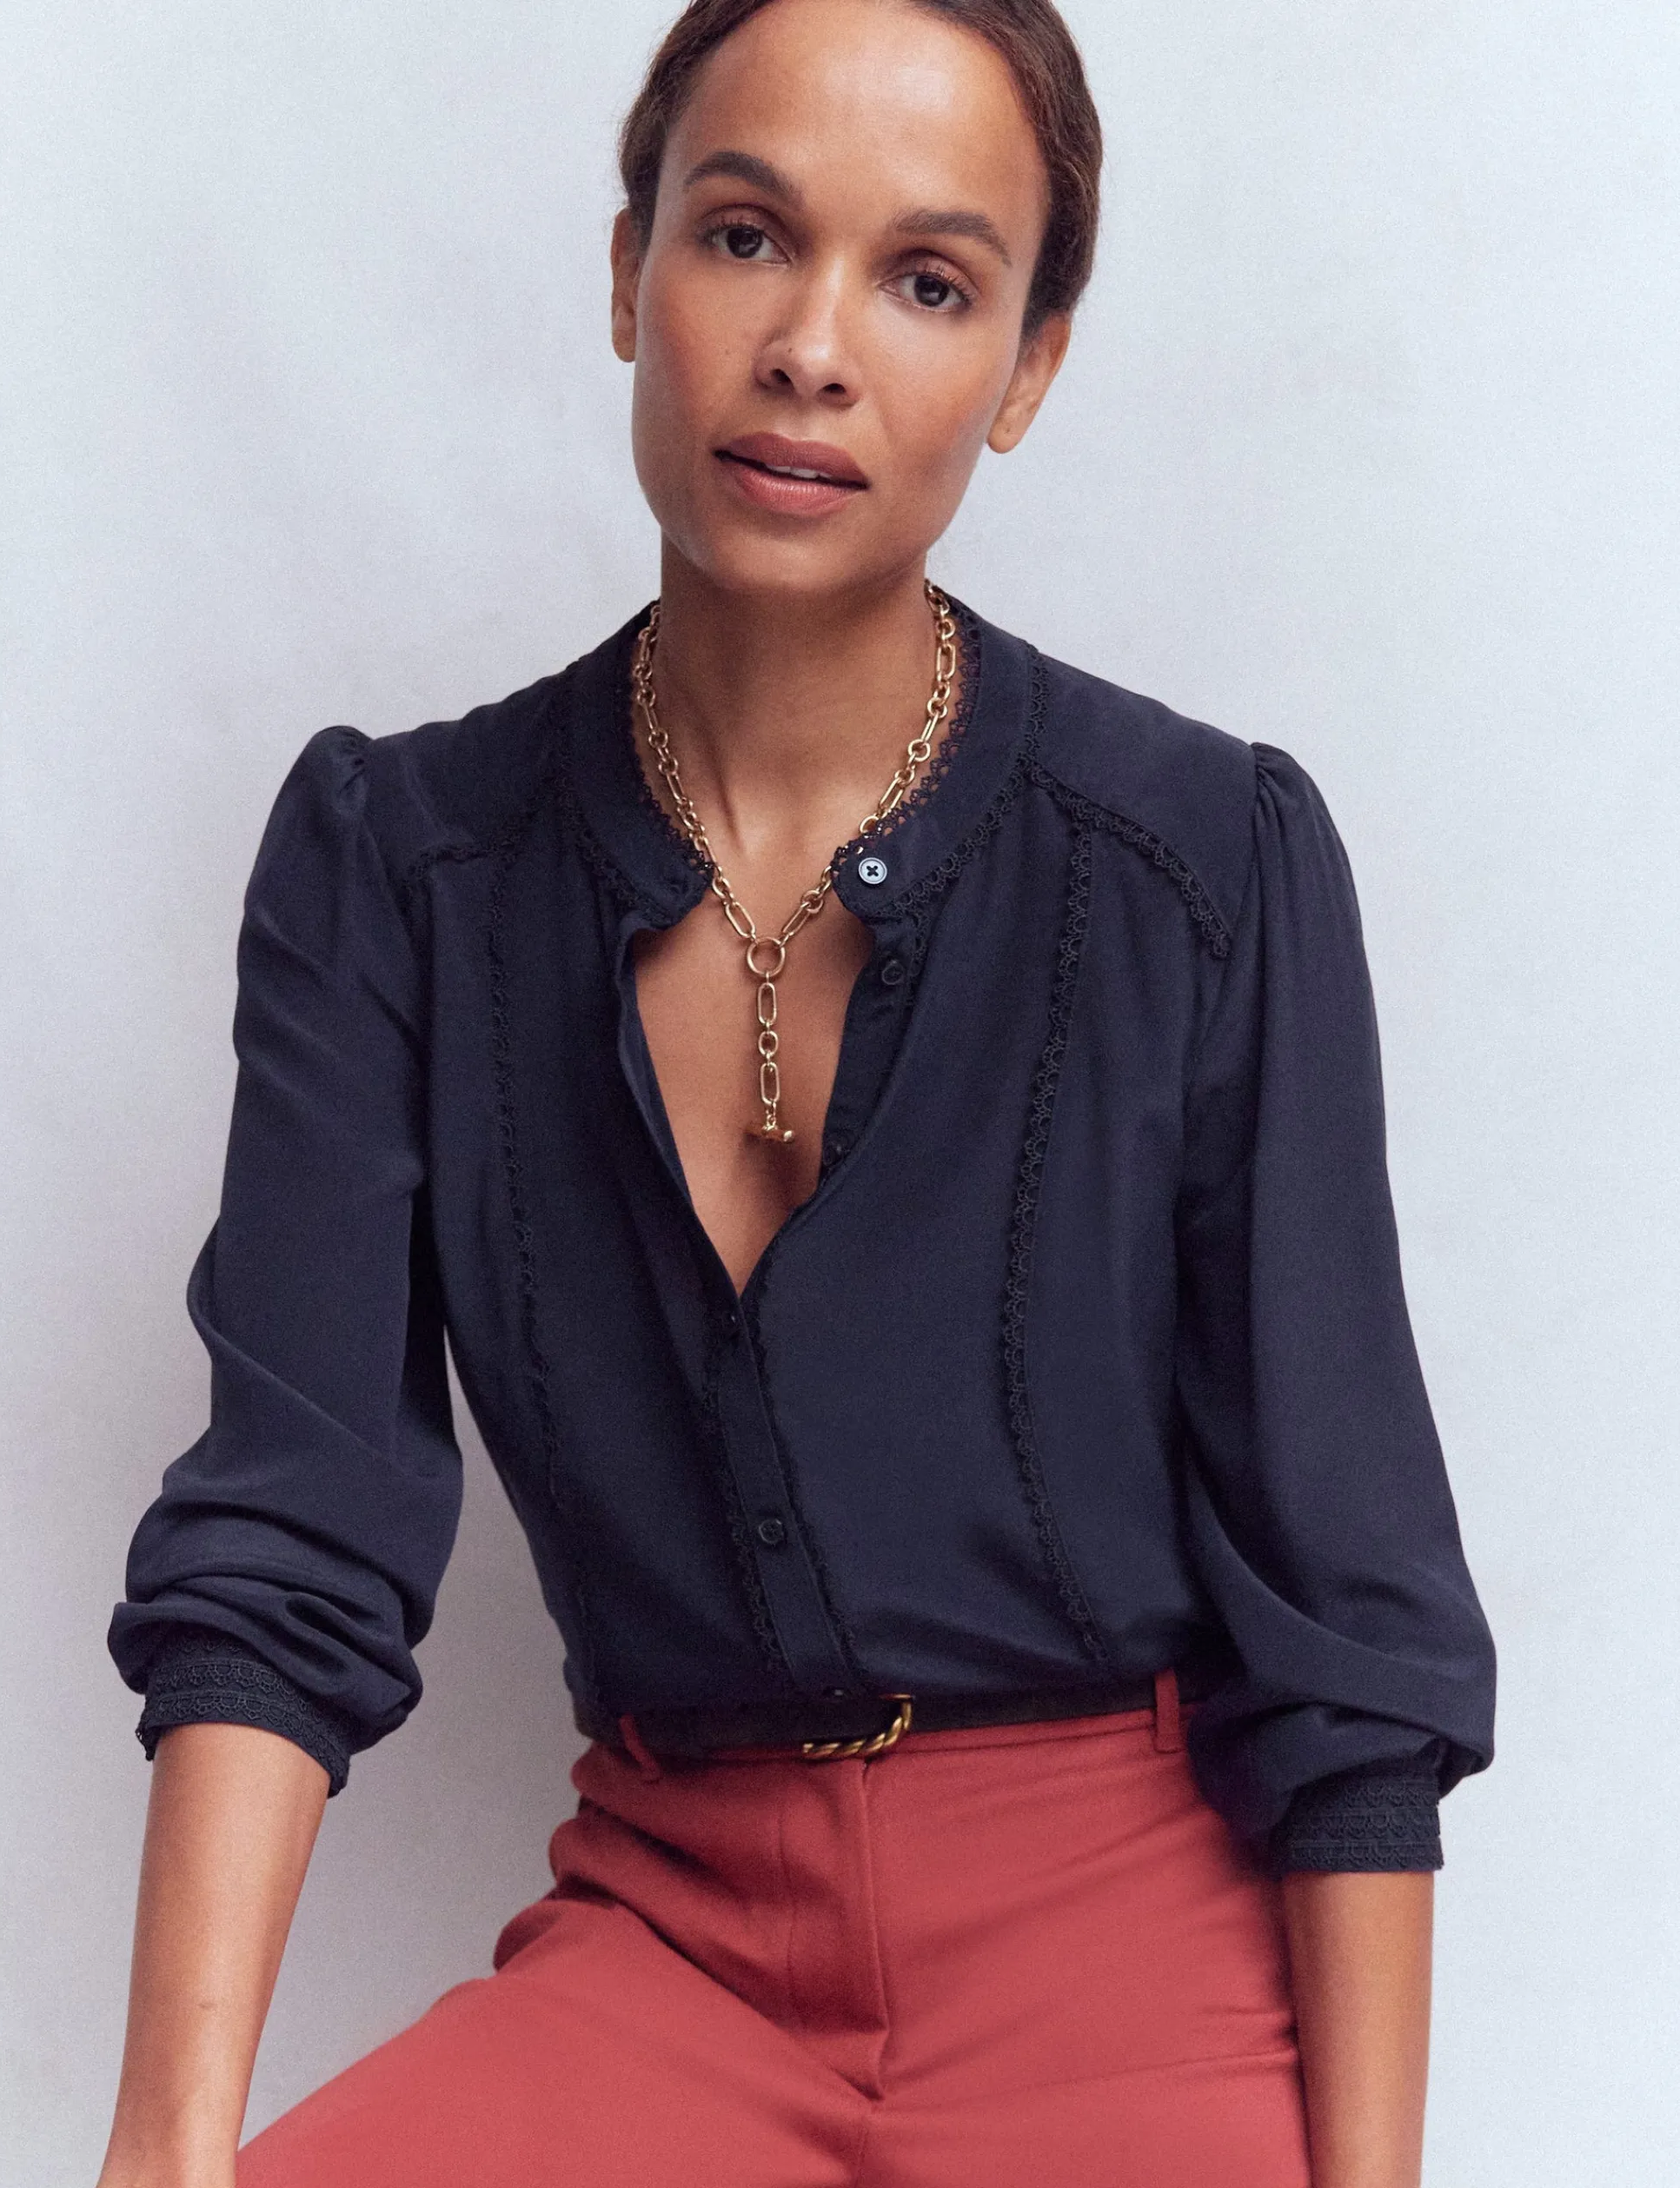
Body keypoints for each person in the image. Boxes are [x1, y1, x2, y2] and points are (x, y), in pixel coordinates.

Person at [96, 3, 1497, 2184]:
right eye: (745, 236)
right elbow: (291, 1538)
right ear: (629, 265)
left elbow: (1351, 1630)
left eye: (927, 280)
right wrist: (163, 2148)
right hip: (676, 1946)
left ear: (1025, 365)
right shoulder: (404, 870)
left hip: (1127, 1955)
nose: (812, 350)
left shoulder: (1201, 868)